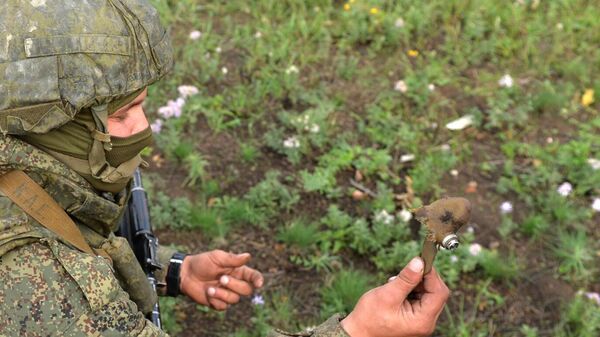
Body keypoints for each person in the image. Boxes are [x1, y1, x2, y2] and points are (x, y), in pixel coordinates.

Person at [0, 1, 449, 336]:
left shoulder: (27, 172)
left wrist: (166, 271)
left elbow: (71, 235)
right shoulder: (35, 275)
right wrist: (358, 333)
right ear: (45, 125)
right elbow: (60, 284)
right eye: (121, 116)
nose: (145, 129)